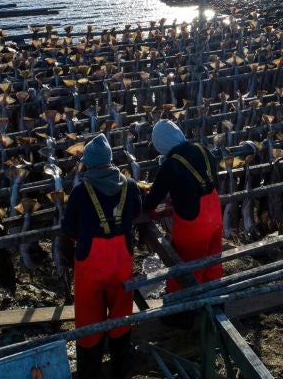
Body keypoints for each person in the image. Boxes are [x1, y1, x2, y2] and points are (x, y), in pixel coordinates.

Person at [62, 133, 142, 379]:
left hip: (91, 265)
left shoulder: (80, 191)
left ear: (89, 163)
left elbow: (68, 229)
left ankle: (90, 373)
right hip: (121, 262)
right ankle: (121, 370)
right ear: (109, 160)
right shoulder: (129, 185)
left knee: (88, 321)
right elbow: (137, 212)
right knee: (121, 315)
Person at [144, 119, 223, 294]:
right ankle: (216, 299)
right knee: (213, 261)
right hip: (214, 213)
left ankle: (182, 314)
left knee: (187, 269)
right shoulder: (203, 149)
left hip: (193, 223)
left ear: (161, 143)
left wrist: (145, 206)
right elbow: (213, 181)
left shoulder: (170, 164)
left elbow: (153, 199)